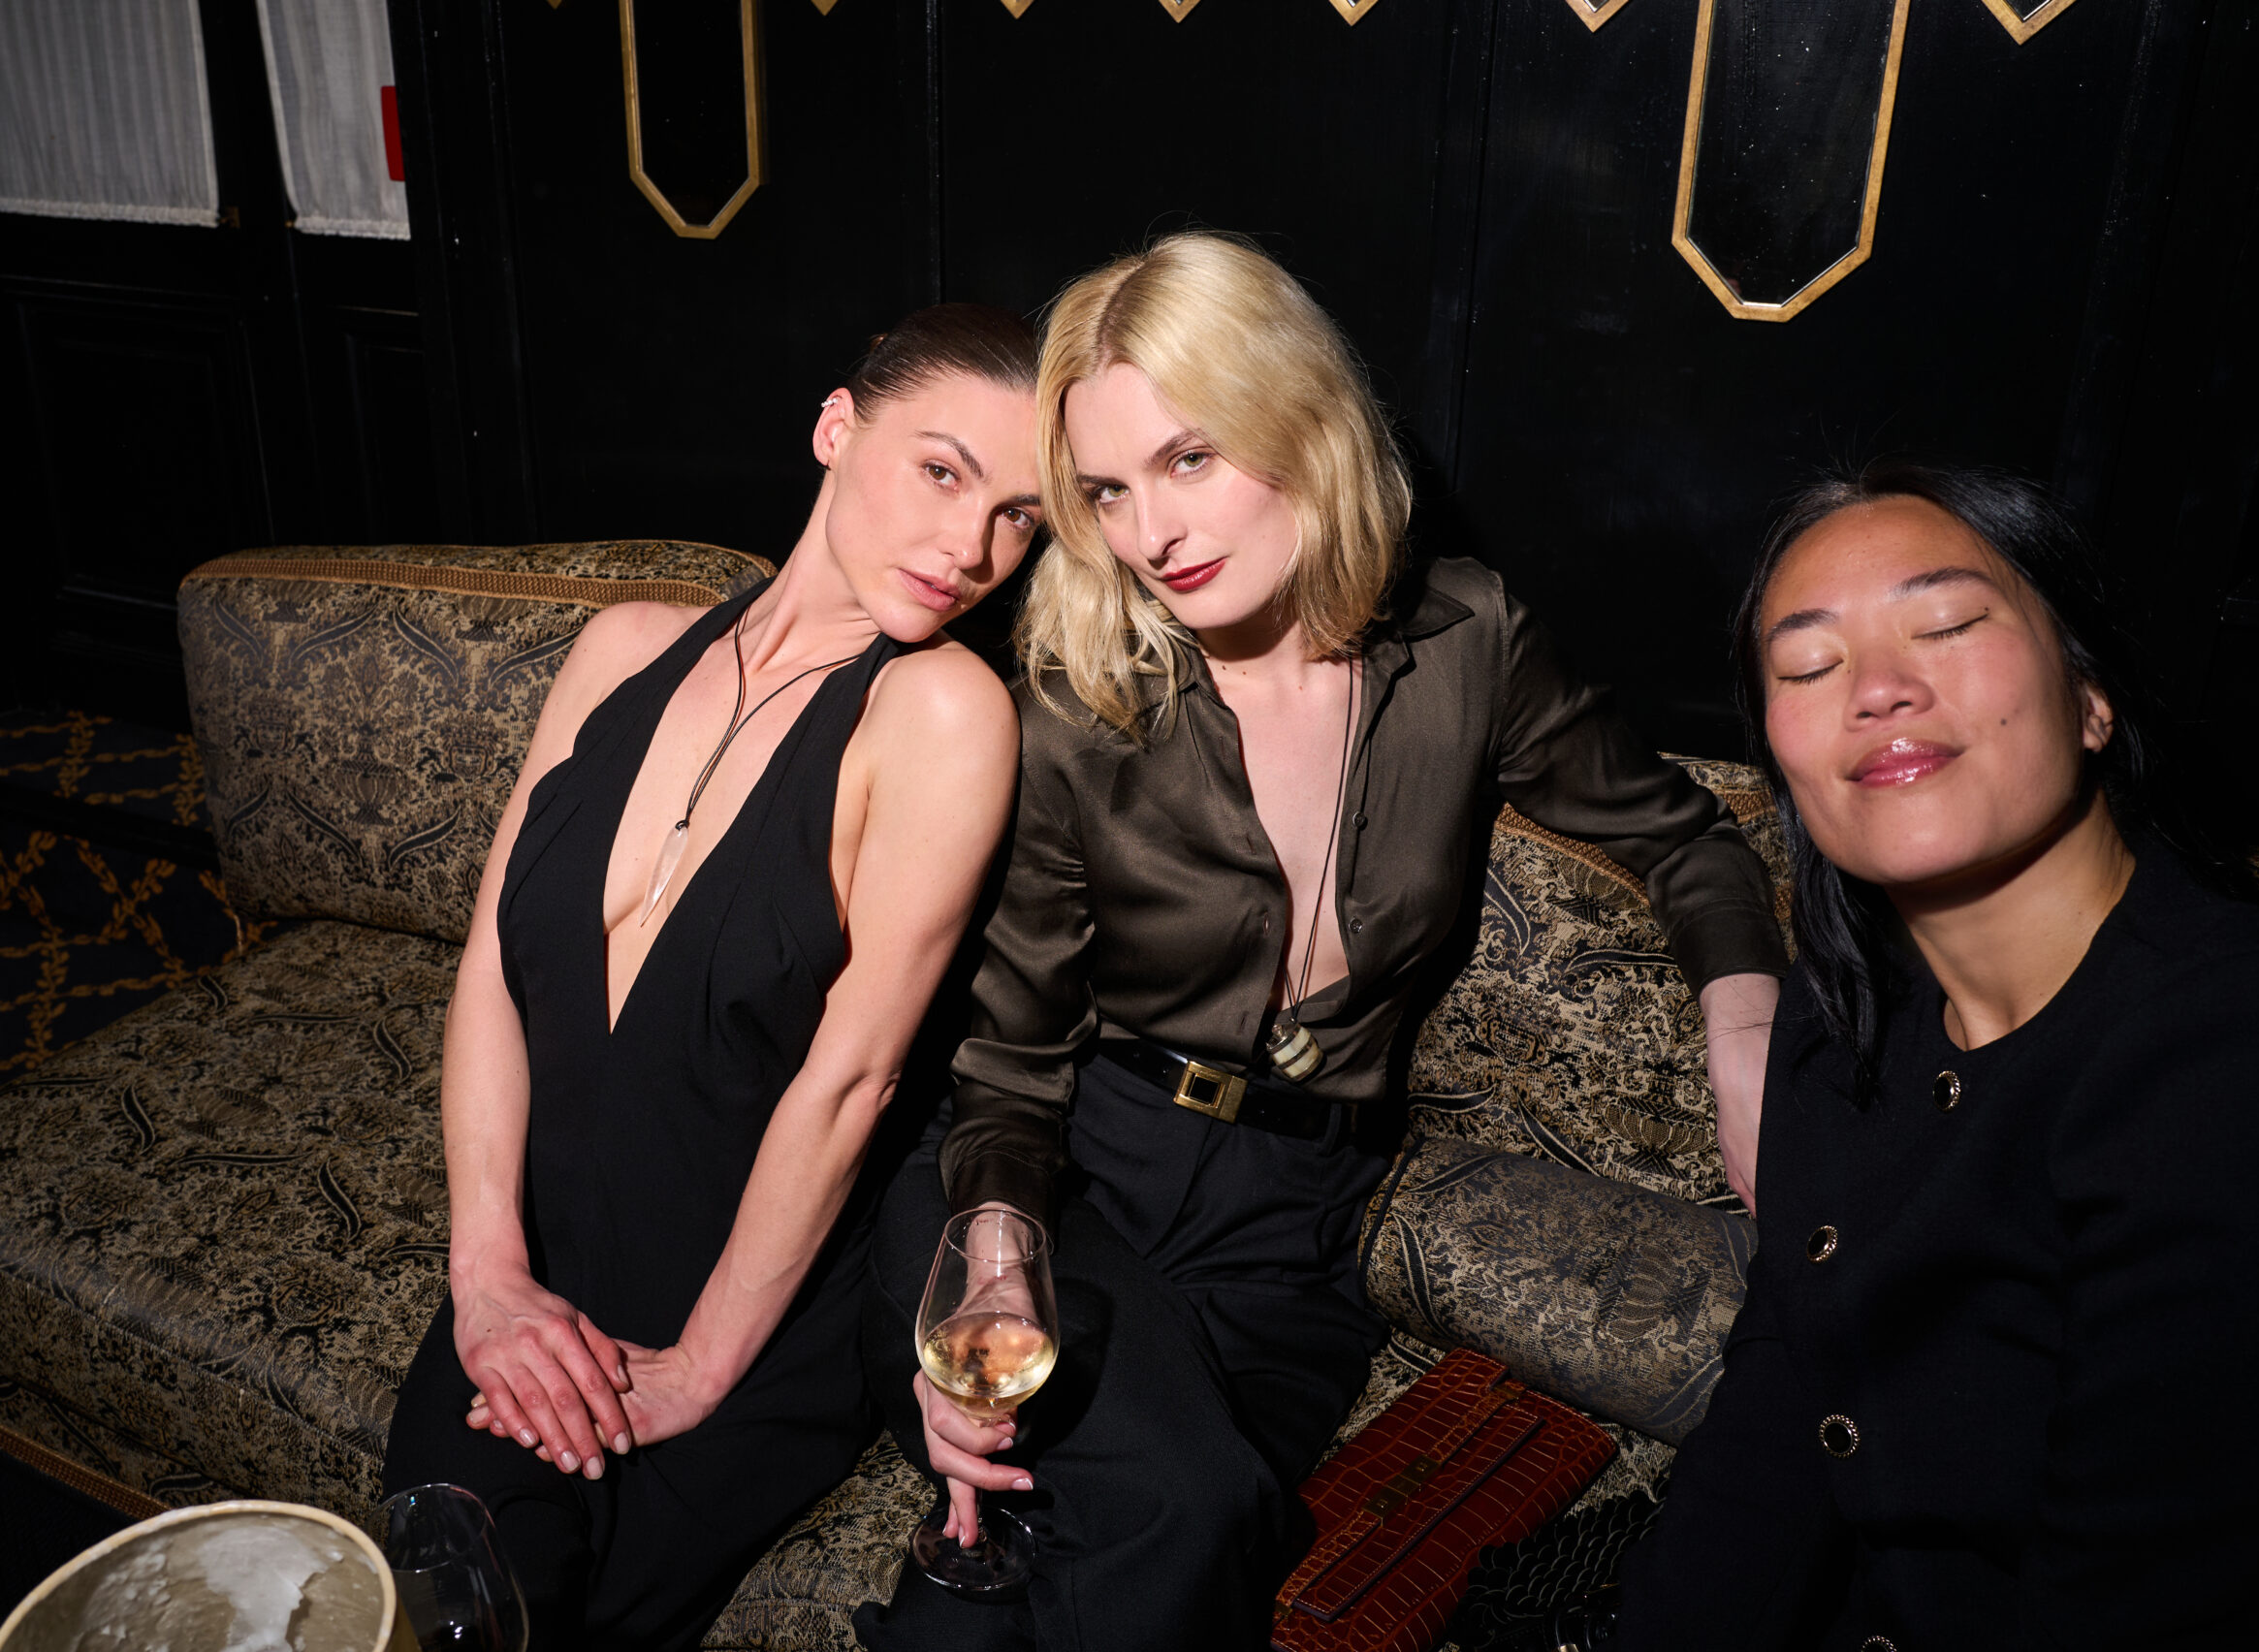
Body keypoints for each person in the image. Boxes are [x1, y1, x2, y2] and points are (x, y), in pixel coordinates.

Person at [851, 232, 1789, 1652]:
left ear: (1301, 422)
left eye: (1190, 459)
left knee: (1111, 1552)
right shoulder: (1075, 700)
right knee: (1182, 1508)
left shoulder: (1468, 641)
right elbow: (1012, 1062)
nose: (1151, 534)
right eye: (1106, 490)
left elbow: (1688, 839)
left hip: (1289, 1230)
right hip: (1059, 1182)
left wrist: (1746, 1029)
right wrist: (991, 1255)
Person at [1615, 461, 2259, 1648]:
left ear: (2089, 696)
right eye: (1808, 665)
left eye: (1947, 625)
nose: (1877, 687)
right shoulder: (1834, 1021)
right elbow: (1773, 1437)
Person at [380, 304, 1048, 1649]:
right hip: (527, 1273)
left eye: (1019, 518)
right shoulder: (620, 648)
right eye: (940, 471)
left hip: (737, 1323)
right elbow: (492, 970)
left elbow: (853, 1083)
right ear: (836, 429)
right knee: (447, 1593)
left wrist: (697, 1369)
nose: (970, 548)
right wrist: (488, 1273)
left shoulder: (940, 713)